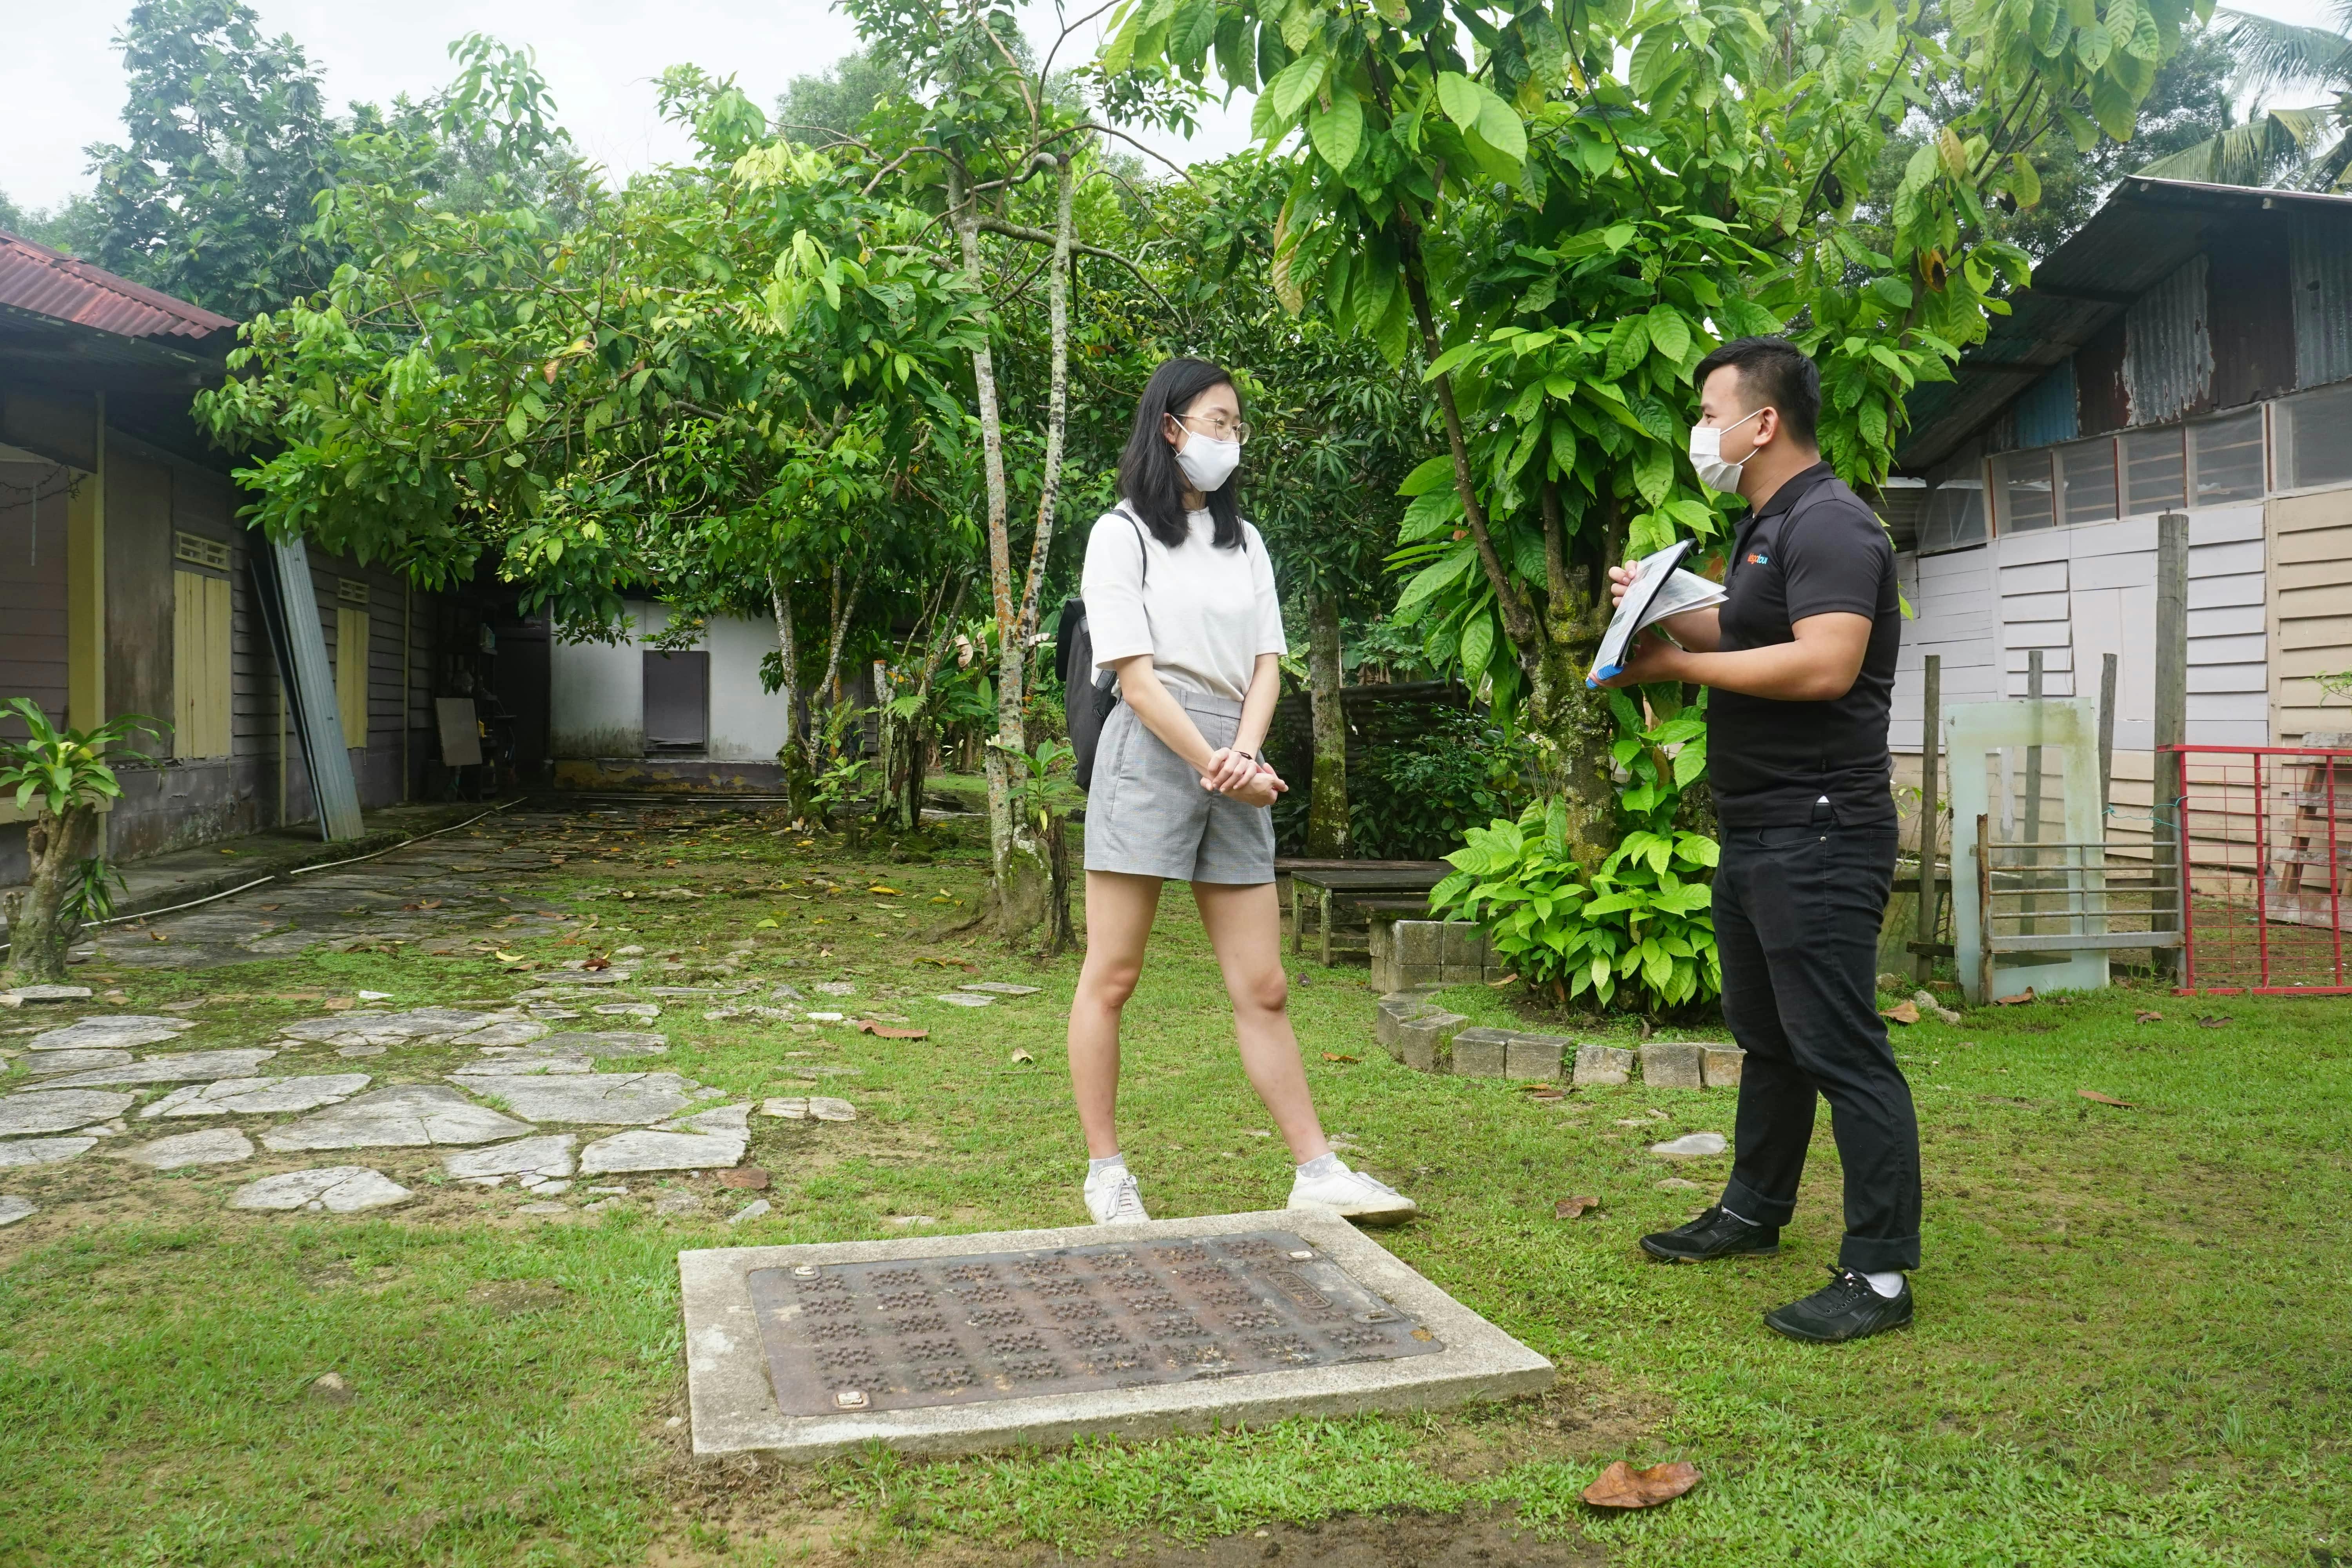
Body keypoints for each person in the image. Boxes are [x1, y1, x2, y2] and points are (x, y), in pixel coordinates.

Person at [1601, 336, 1918, 1343]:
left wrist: (1677, 674)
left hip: (1821, 826)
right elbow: (1747, 633)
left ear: (1763, 422)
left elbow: (1824, 664)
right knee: (1769, 1038)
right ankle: (1753, 1209)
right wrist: (1659, 616)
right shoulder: (1766, 525)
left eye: (1709, 413)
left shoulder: (1831, 524)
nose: (1703, 433)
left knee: (1841, 1046)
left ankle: (1878, 1274)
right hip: (1759, 824)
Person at [1066, 356, 1417, 1228]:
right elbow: (1135, 679)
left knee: (1263, 984)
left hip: (1235, 742)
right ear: (1170, 427)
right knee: (1113, 973)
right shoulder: (1121, 533)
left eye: (1237, 426)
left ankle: (1317, 1169)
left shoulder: (1245, 540)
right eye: (1219, 422)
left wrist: (1245, 752)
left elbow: (1269, 659)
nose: (1233, 440)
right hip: (1151, 746)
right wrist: (1215, 760)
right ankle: (1106, 1172)